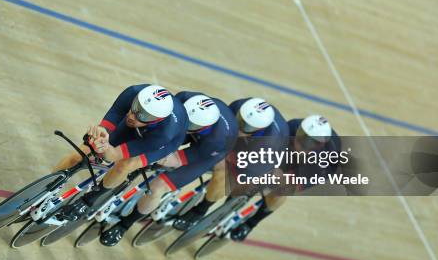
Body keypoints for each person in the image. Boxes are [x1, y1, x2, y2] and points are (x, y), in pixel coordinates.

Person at [98, 91, 239, 246]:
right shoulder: (186, 97)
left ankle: (125, 225)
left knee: (157, 187)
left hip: (205, 152)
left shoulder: (218, 139)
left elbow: (177, 159)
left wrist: (157, 157)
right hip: (186, 130)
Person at [53, 84, 188, 221]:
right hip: (143, 122)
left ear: (155, 120)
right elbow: (115, 115)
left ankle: (89, 200)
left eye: (141, 115)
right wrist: (101, 133)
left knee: (125, 165)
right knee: (81, 153)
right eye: (134, 107)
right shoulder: (134, 92)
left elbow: (113, 155)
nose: (131, 116)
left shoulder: (164, 134)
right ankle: (49, 187)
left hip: (164, 143)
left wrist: (104, 148)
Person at [173, 97, 290, 230]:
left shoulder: (270, 142)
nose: (239, 127)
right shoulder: (240, 105)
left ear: (259, 129)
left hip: (261, 157)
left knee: (225, 175)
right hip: (247, 143)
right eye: (240, 120)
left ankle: (201, 209)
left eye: (246, 126)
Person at [230, 114, 341, 242]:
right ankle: (236, 198)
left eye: (306, 142)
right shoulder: (293, 126)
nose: (300, 142)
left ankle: (251, 224)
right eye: (301, 135)